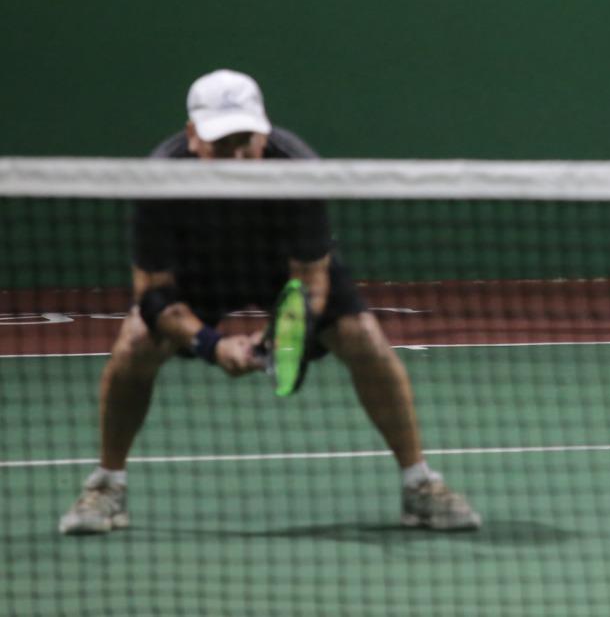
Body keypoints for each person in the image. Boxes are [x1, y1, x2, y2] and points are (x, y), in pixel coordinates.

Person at [59, 69, 481, 535]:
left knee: (362, 335)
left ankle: (419, 484)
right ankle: (107, 485)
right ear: (193, 136)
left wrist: (280, 331)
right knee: (136, 341)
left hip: (280, 271)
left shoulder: (296, 169)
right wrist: (211, 345)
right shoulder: (160, 179)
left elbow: (311, 282)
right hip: (199, 273)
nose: (237, 157)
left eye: (246, 142)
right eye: (222, 145)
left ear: (264, 132)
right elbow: (153, 294)